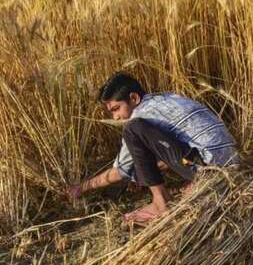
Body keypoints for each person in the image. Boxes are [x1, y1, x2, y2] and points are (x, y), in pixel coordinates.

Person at [67, 72, 239, 225]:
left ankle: (160, 203)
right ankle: (196, 179)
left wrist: (81, 187)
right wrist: (141, 175)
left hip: (210, 168)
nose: (116, 117)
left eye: (116, 109)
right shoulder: (169, 97)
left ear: (134, 99)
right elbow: (172, 147)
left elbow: (120, 172)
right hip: (229, 161)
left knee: (132, 129)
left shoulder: (139, 116)